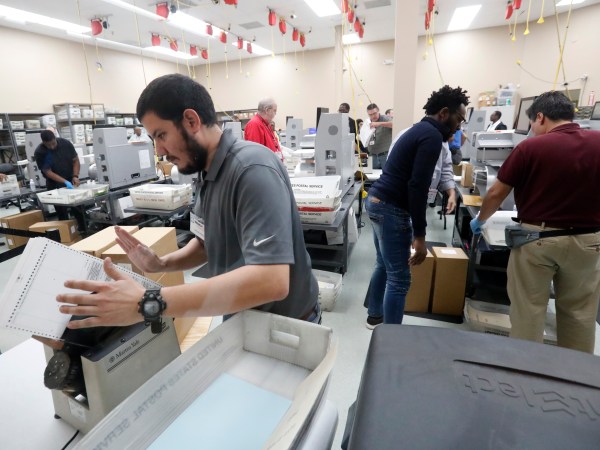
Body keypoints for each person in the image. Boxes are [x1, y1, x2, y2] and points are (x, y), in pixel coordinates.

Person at [57, 74, 320, 330]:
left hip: (286, 328)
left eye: (161, 135)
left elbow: (271, 281)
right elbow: (207, 244)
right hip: (245, 320)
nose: (159, 150)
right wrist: (162, 263)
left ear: (191, 120)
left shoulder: (251, 169)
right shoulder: (206, 172)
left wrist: (150, 302)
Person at [470, 91, 600, 353]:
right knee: (580, 314)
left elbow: (496, 192)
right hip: (588, 241)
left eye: (531, 123)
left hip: (538, 240)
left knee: (528, 310)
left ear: (540, 117)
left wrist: (481, 220)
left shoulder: (531, 148)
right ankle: (575, 379)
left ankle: (527, 372)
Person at [365, 85, 469, 328]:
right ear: (444, 113)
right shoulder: (431, 137)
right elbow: (417, 186)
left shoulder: (420, 131)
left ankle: (375, 316)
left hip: (377, 201)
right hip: (391, 207)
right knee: (400, 279)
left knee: (384, 264)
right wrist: (420, 236)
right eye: (459, 118)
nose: (459, 126)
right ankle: (391, 342)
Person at [34, 130, 85, 230]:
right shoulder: (40, 152)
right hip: (54, 183)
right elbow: (47, 172)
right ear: (43, 143)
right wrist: (64, 182)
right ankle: (67, 234)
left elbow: (75, 160)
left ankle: (83, 229)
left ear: (55, 138)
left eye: (53, 143)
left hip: (71, 180)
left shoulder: (66, 144)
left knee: (78, 208)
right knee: (61, 212)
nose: (52, 147)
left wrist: (75, 176)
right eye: (49, 145)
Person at [366, 103, 393, 170]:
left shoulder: (385, 118)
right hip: (372, 155)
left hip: (385, 155)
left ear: (378, 111)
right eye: (370, 114)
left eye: (374, 113)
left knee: (387, 175)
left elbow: (394, 124)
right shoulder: (367, 122)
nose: (373, 116)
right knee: (372, 177)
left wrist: (379, 123)